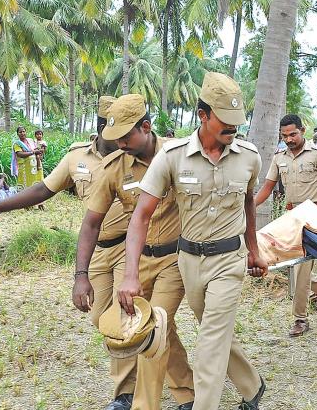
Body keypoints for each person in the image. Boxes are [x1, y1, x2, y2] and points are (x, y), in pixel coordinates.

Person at [0, 96, 155, 410]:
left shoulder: (140, 156)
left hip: (132, 246)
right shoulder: (76, 157)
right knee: (102, 317)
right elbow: (43, 190)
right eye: (108, 127)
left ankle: (127, 394)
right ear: (100, 126)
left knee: (125, 314)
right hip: (98, 249)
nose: (116, 136)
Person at [118, 72, 266, 410]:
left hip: (229, 259)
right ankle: (253, 385)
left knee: (209, 344)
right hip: (189, 261)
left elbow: (248, 203)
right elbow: (141, 216)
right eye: (225, 123)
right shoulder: (173, 157)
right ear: (203, 115)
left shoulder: (249, 157)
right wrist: (130, 275)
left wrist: (253, 251)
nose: (233, 130)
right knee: (214, 329)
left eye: (236, 123)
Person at [78, 94, 195, 410]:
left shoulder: (180, 154)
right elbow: (91, 224)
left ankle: (143, 404)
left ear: (146, 126)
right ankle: (188, 393)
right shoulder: (114, 168)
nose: (120, 144)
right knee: (158, 326)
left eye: (126, 137)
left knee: (152, 324)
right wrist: (80, 275)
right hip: (139, 258)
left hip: (176, 257)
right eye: (114, 139)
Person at [254, 114, 317, 337]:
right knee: (295, 267)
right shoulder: (278, 158)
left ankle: (300, 319)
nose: (289, 139)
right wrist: (248, 207)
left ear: (303, 131)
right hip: (291, 217)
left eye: (293, 134)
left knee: (300, 268)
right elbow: (267, 187)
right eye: (284, 136)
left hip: (314, 215)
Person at [12, 126, 45, 210]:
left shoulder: (31, 141)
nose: (22, 133)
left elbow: (38, 149)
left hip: (36, 167)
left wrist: (40, 151)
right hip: (25, 169)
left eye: (23, 131)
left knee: (38, 184)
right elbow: (19, 154)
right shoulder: (17, 144)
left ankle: (40, 203)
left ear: (26, 132)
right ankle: (27, 204)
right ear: (17, 134)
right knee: (27, 185)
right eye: (20, 132)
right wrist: (33, 152)